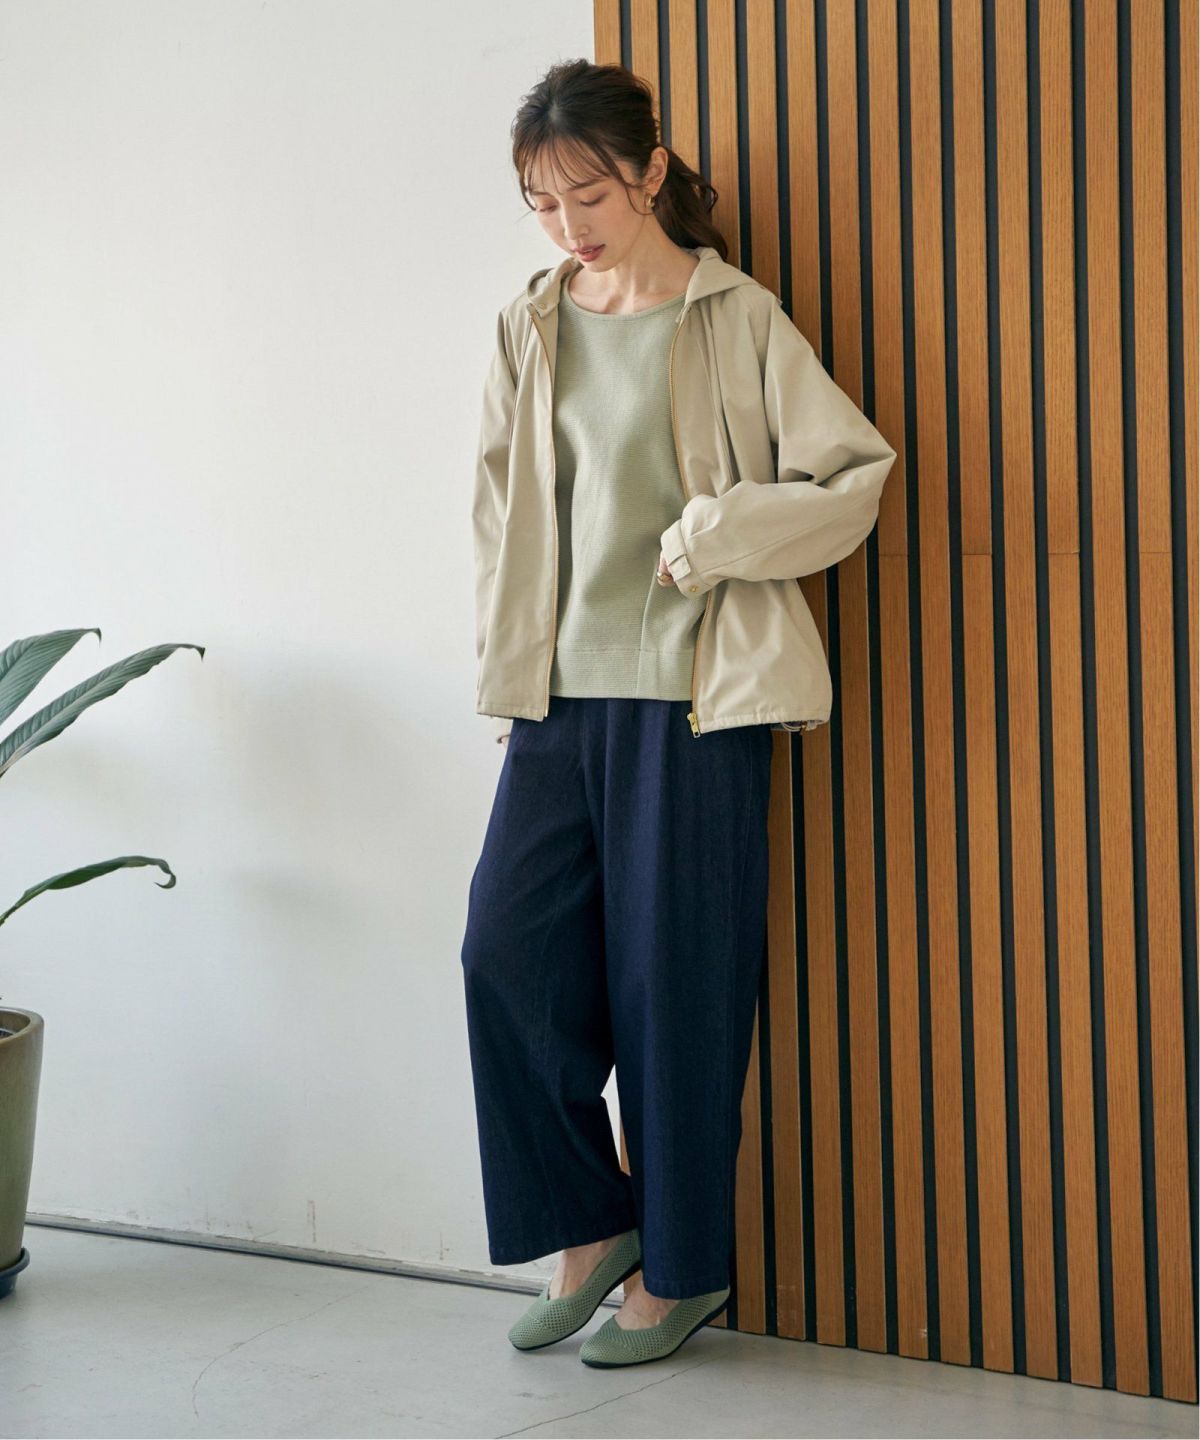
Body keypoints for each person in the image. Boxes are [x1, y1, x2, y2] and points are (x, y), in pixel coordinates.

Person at [460, 59, 896, 1370]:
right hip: (556, 701)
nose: (570, 226)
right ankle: (592, 1226)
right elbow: (498, 514)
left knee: (675, 992)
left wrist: (716, 538)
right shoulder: (533, 322)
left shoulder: (735, 317)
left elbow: (854, 474)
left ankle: (681, 1270)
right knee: (502, 957)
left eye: (589, 195)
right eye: (544, 204)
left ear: (650, 173)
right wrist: (503, 671)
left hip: (697, 703)